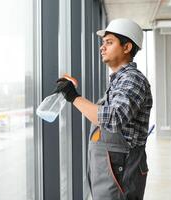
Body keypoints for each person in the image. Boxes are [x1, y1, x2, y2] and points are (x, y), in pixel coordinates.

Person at [54, 18, 153, 200]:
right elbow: (101, 117)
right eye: (103, 43)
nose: (102, 47)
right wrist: (73, 95)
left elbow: (113, 118)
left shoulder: (132, 80)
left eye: (109, 42)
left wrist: (74, 97)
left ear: (127, 47)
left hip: (122, 171)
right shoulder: (118, 81)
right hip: (113, 169)